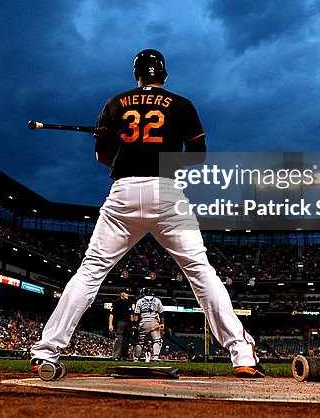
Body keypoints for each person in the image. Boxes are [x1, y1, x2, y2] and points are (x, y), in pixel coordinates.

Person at [30, 49, 264, 378]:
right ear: (163, 75)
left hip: (123, 192)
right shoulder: (182, 104)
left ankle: (46, 351)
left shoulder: (114, 103)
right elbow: (198, 156)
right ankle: (242, 356)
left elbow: (102, 157)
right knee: (200, 272)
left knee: (91, 271)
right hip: (167, 191)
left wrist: (133, 153)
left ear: (136, 75)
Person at [132, 286, 164, 362]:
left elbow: (136, 315)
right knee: (157, 340)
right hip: (154, 322)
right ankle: (155, 357)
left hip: (143, 322)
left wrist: (134, 325)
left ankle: (136, 358)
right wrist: (162, 323)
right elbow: (162, 313)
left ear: (143, 293)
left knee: (140, 342)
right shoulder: (157, 300)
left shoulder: (140, 301)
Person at [108, 287, 134, 361]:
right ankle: (116, 356)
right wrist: (110, 324)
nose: (127, 294)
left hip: (128, 323)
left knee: (126, 340)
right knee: (119, 339)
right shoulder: (116, 302)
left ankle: (124, 356)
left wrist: (133, 324)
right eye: (126, 293)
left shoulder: (129, 302)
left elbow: (131, 314)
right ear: (122, 293)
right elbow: (111, 314)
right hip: (120, 322)